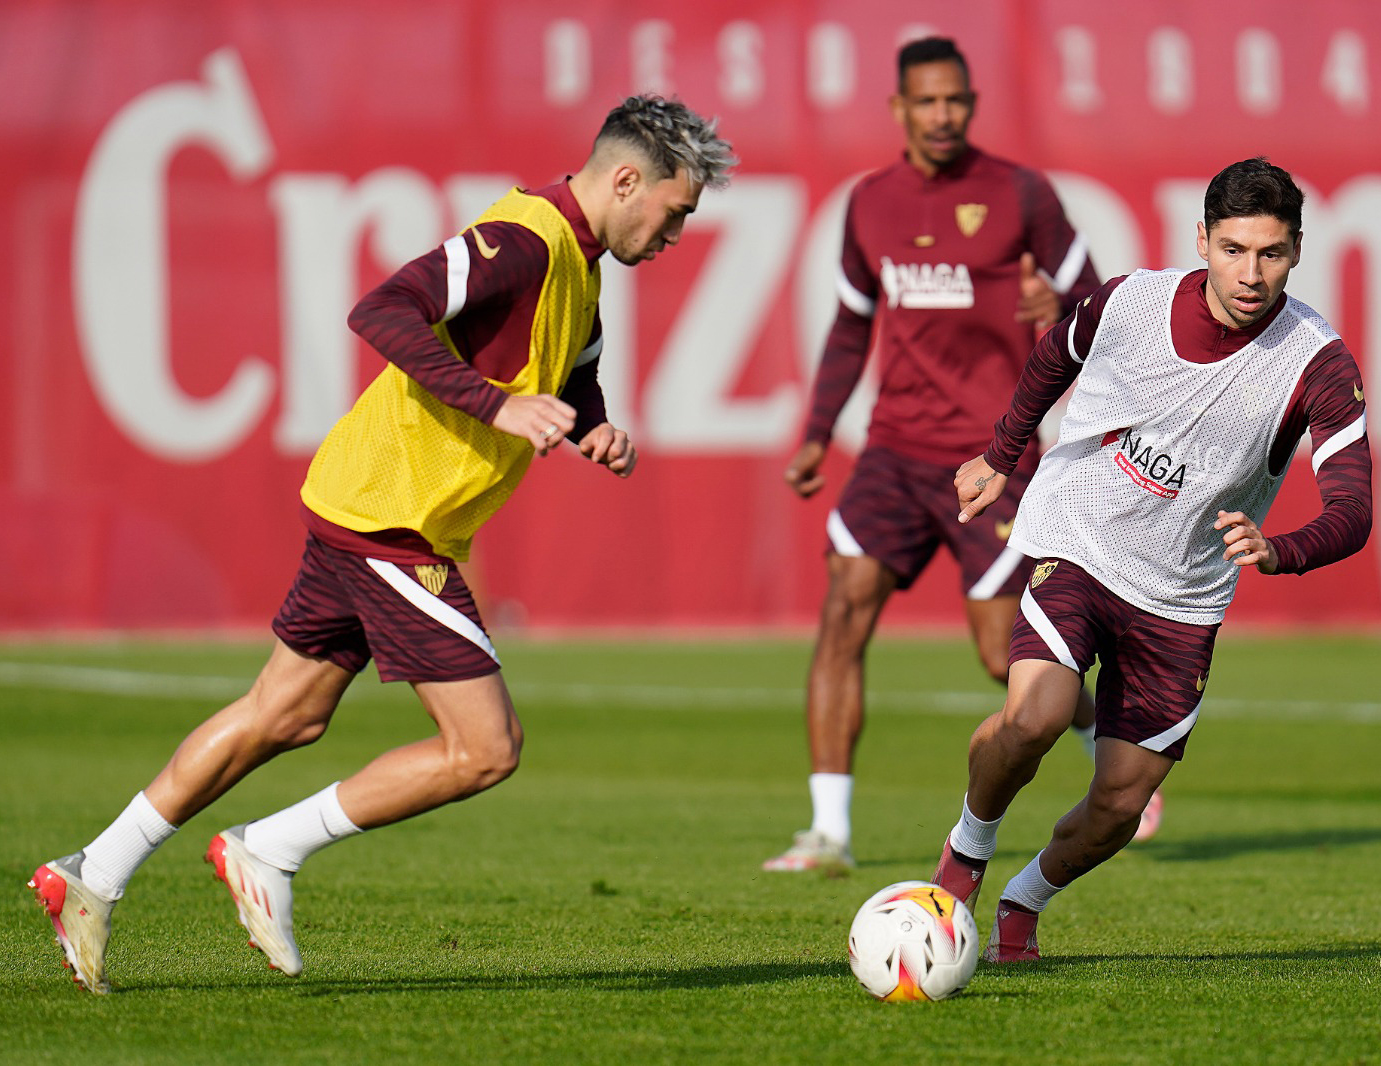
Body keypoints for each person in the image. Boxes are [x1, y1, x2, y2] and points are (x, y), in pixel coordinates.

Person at [28, 95, 736, 994]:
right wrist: (497, 404)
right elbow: (383, 309)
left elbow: (578, 362)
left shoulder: (582, 268)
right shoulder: (522, 240)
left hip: (363, 504)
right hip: (392, 525)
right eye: (675, 211)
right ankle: (268, 850)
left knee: (283, 715)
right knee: (485, 748)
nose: (677, 231)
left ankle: (92, 871)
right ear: (627, 179)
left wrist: (594, 425)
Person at [932, 157, 1373, 961]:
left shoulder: (1317, 361)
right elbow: (1053, 356)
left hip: (1182, 597)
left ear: (1298, 251)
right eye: (1233, 249)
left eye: (1270, 253)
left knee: (1120, 806)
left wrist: (1283, 549)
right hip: (1082, 539)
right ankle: (964, 854)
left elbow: (1353, 509)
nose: (1250, 273)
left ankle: (1023, 902)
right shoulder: (1130, 301)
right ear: (1201, 238)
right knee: (1033, 718)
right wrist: (1000, 455)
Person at [763, 36, 1114, 873]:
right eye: (927, 101)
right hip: (892, 450)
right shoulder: (869, 203)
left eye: (956, 99)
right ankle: (828, 833)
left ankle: (1114, 757)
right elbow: (852, 325)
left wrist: (1052, 298)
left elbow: (1099, 300)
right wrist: (817, 431)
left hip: (991, 455)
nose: (943, 114)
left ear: (972, 104)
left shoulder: (1021, 194)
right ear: (899, 109)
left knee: (1004, 655)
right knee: (844, 609)